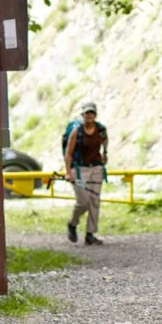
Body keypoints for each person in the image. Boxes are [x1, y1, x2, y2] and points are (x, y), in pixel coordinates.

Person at [64, 102, 109, 245]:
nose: (89, 116)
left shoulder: (101, 130)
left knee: (95, 201)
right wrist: (68, 172)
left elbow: (104, 144)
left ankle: (90, 234)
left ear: (95, 115)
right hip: (79, 170)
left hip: (96, 169)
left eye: (92, 113)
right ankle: (72, 223)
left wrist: (104, 155)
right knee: (83, 201)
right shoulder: (77, 131)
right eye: (87, 113)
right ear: (82, 115)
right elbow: (69, 153)